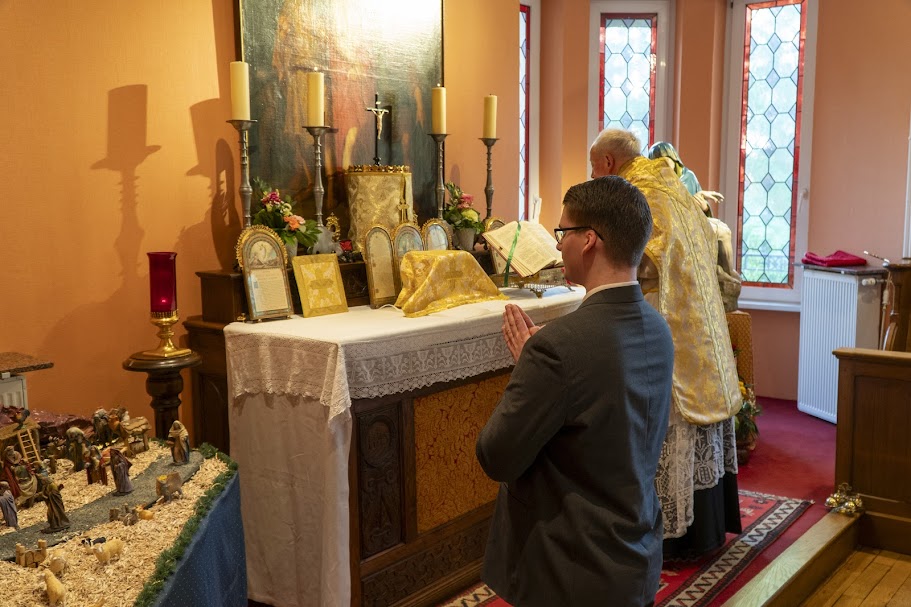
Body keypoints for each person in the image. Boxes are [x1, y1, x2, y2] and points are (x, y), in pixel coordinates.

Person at [476, 176, 674, 606]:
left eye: (562, 231)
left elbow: (496, 455)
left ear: (588, 240)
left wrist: (529, 366)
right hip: (635, 553)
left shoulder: (557, 347)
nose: (557, 243)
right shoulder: (658, 328)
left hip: (570, 566)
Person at [590, 128, 742, 559]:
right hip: (699, 320)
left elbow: (631, 261)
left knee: (666, 417)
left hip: (664, 318)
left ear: (608, 163)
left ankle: (673, 535)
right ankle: (706, 524)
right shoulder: (671, 184)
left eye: (593, 166)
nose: (593, 174)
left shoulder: (630, 194)